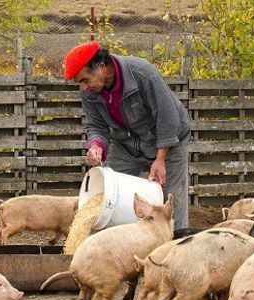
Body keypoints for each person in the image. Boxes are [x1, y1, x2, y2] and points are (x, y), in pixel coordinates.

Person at [64, 40, 190, 229]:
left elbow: (167, 115)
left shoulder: (142, 73)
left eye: (84, 80)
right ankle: (121, 247)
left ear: (102, 67)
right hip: (126, 144)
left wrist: (160, 158)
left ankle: (178, 247)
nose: (83, 87)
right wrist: (96, 145)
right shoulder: (90, 92)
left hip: (168, 140)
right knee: (110, 194)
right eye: (79, 83)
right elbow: (96, 124)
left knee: (171, 204)